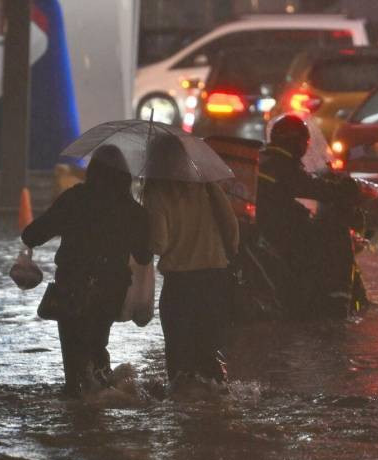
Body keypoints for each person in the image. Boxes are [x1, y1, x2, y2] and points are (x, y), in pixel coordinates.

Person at [22, 145, 152, 398]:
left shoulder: (75, 198)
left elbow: (32, 235)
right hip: (111, 291)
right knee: (97, 346)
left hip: (72, 287)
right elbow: (144, 256)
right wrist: (143, 218)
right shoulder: (133, 211)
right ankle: (104, 400)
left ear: (92, 172)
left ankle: (80, 414)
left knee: (75, 360)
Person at [144, 134, 240, 386]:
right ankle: (214, 412)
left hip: (181, 286)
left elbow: (158, 243)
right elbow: (232, 229)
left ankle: (185, 416)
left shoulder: (157, 194)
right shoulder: (208, 187)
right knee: (209, 356)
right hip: (216, 280)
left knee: (181, 364)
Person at [255, 114, 366, 316]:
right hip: (282, 232)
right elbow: (315, 188)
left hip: (267, 227)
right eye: (304, 142)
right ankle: (336, 302)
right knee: (335, 233)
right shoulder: (283, 164)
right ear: (298, 143)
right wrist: (345, 188)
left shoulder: (264, 158)